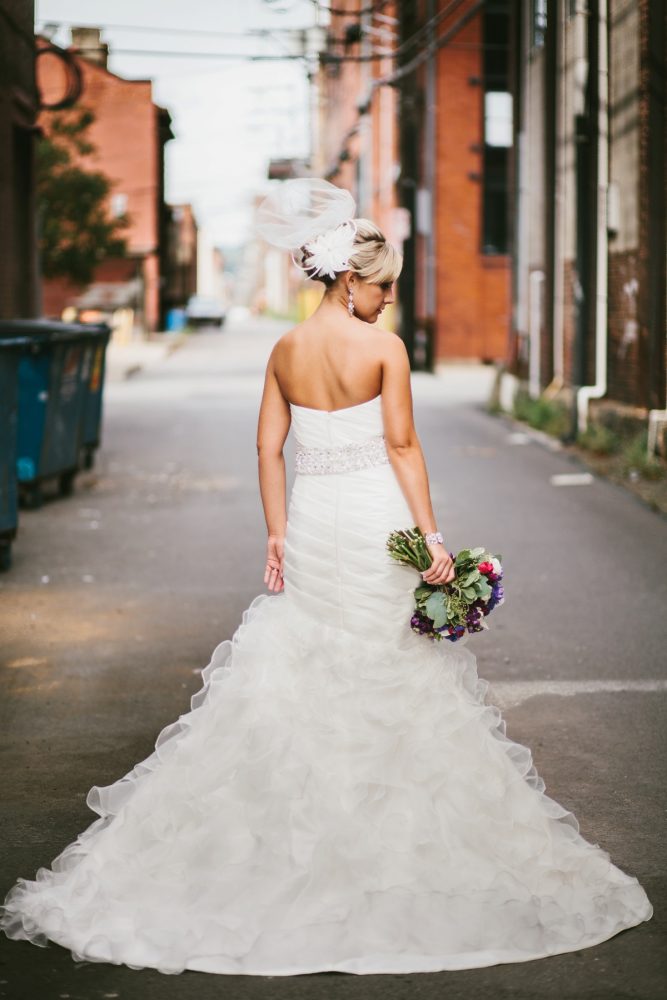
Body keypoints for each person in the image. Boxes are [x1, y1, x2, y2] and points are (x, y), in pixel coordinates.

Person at [0, 180, 652, 976]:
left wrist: (275, 531)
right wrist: (431, 537)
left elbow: (266, 448)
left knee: (303, 658)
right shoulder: (383, 350)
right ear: (350, 280)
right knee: (390, 666)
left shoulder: (285, 351)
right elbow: (405, 450)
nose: (387, 301)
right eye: (382, 287)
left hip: (311, 521)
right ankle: (391, 848)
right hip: (376, 519)